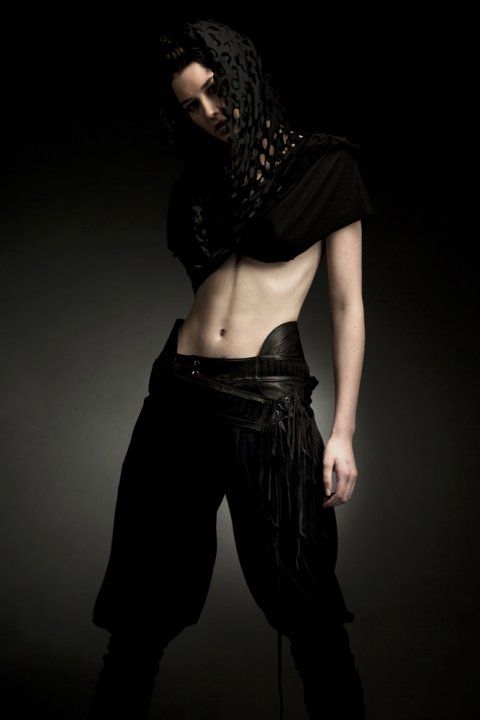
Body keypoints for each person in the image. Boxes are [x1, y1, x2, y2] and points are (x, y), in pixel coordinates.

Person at [87, 16, 376, 720]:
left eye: (215, 90)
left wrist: (342, 432)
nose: (209, 112)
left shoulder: (325, 165)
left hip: (266, 403)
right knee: (139, 613)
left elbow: (347, 307)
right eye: (190, 104)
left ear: (243, 75)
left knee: (307, 608)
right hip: (176, 395)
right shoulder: (202, 180)